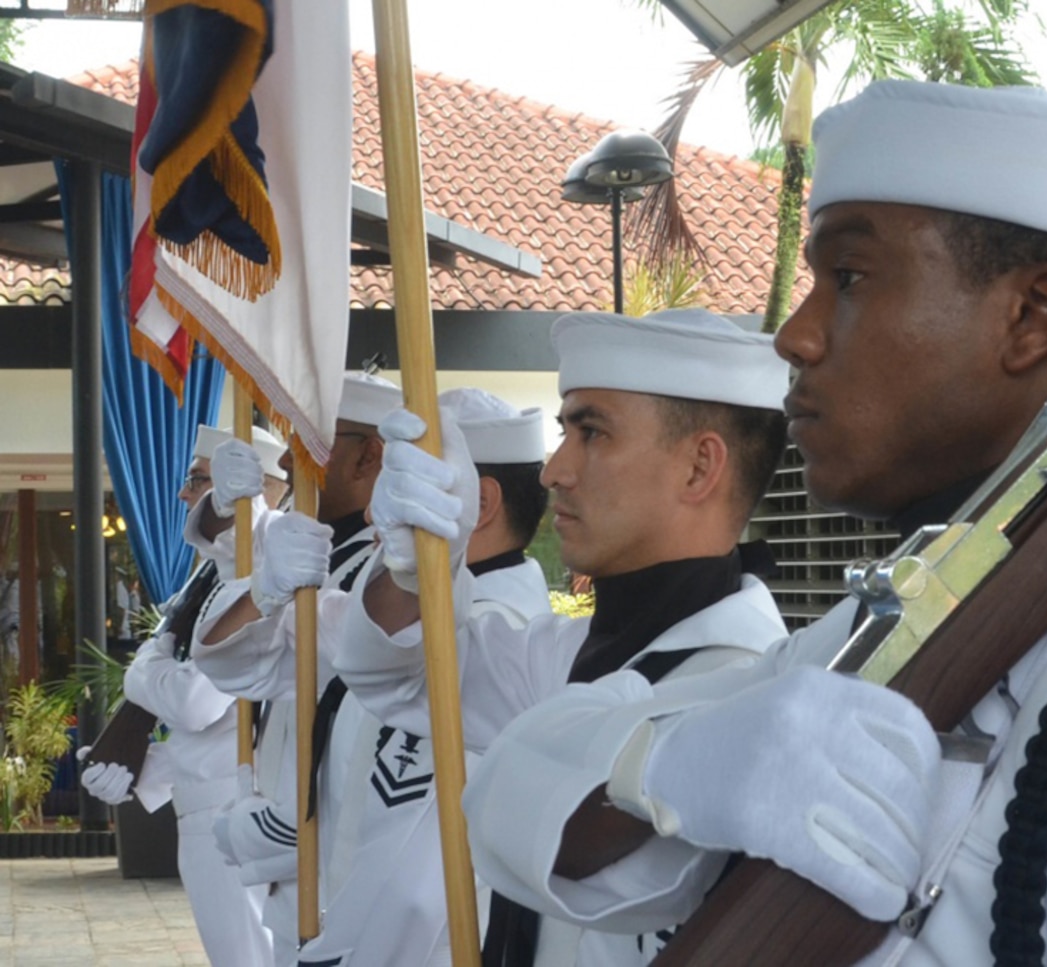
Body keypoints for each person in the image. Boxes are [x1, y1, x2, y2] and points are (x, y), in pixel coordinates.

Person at [454, 81, 1047, 966]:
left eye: (853, 277)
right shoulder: (895, 627)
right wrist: (663, 764)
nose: (797, 332)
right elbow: (511, 794)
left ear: (1034, 316)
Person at [334, 308, 792, 964]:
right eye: (564, 434)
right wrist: (414, 566)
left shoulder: (751, 685)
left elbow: (571, 850)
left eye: (592, 433)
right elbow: (399, 675)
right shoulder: (570, 651)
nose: (554, 471)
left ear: (699, 468)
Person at [295, 388, 554, 967]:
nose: (370, 515)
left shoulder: (491, 637)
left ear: (478, 504)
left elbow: (419, 884)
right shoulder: (423, 626)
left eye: (399, 487)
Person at [190, 371, 400, 966]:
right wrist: (226, 509)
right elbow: (228, 632)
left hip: (330, 867)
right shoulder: (322, 549)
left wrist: (280, 826)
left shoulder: (382, 576)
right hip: (295, 865)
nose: (285, 458)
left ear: (370, 457)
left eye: (307, 445)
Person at [80, 421, 288, 967]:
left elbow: (198, 702)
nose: (183, 494)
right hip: (210, 798)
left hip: (239, 802)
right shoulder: (208, 577)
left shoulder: (261, 570)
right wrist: (148, 765)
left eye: (197, 480)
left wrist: (143, 669)